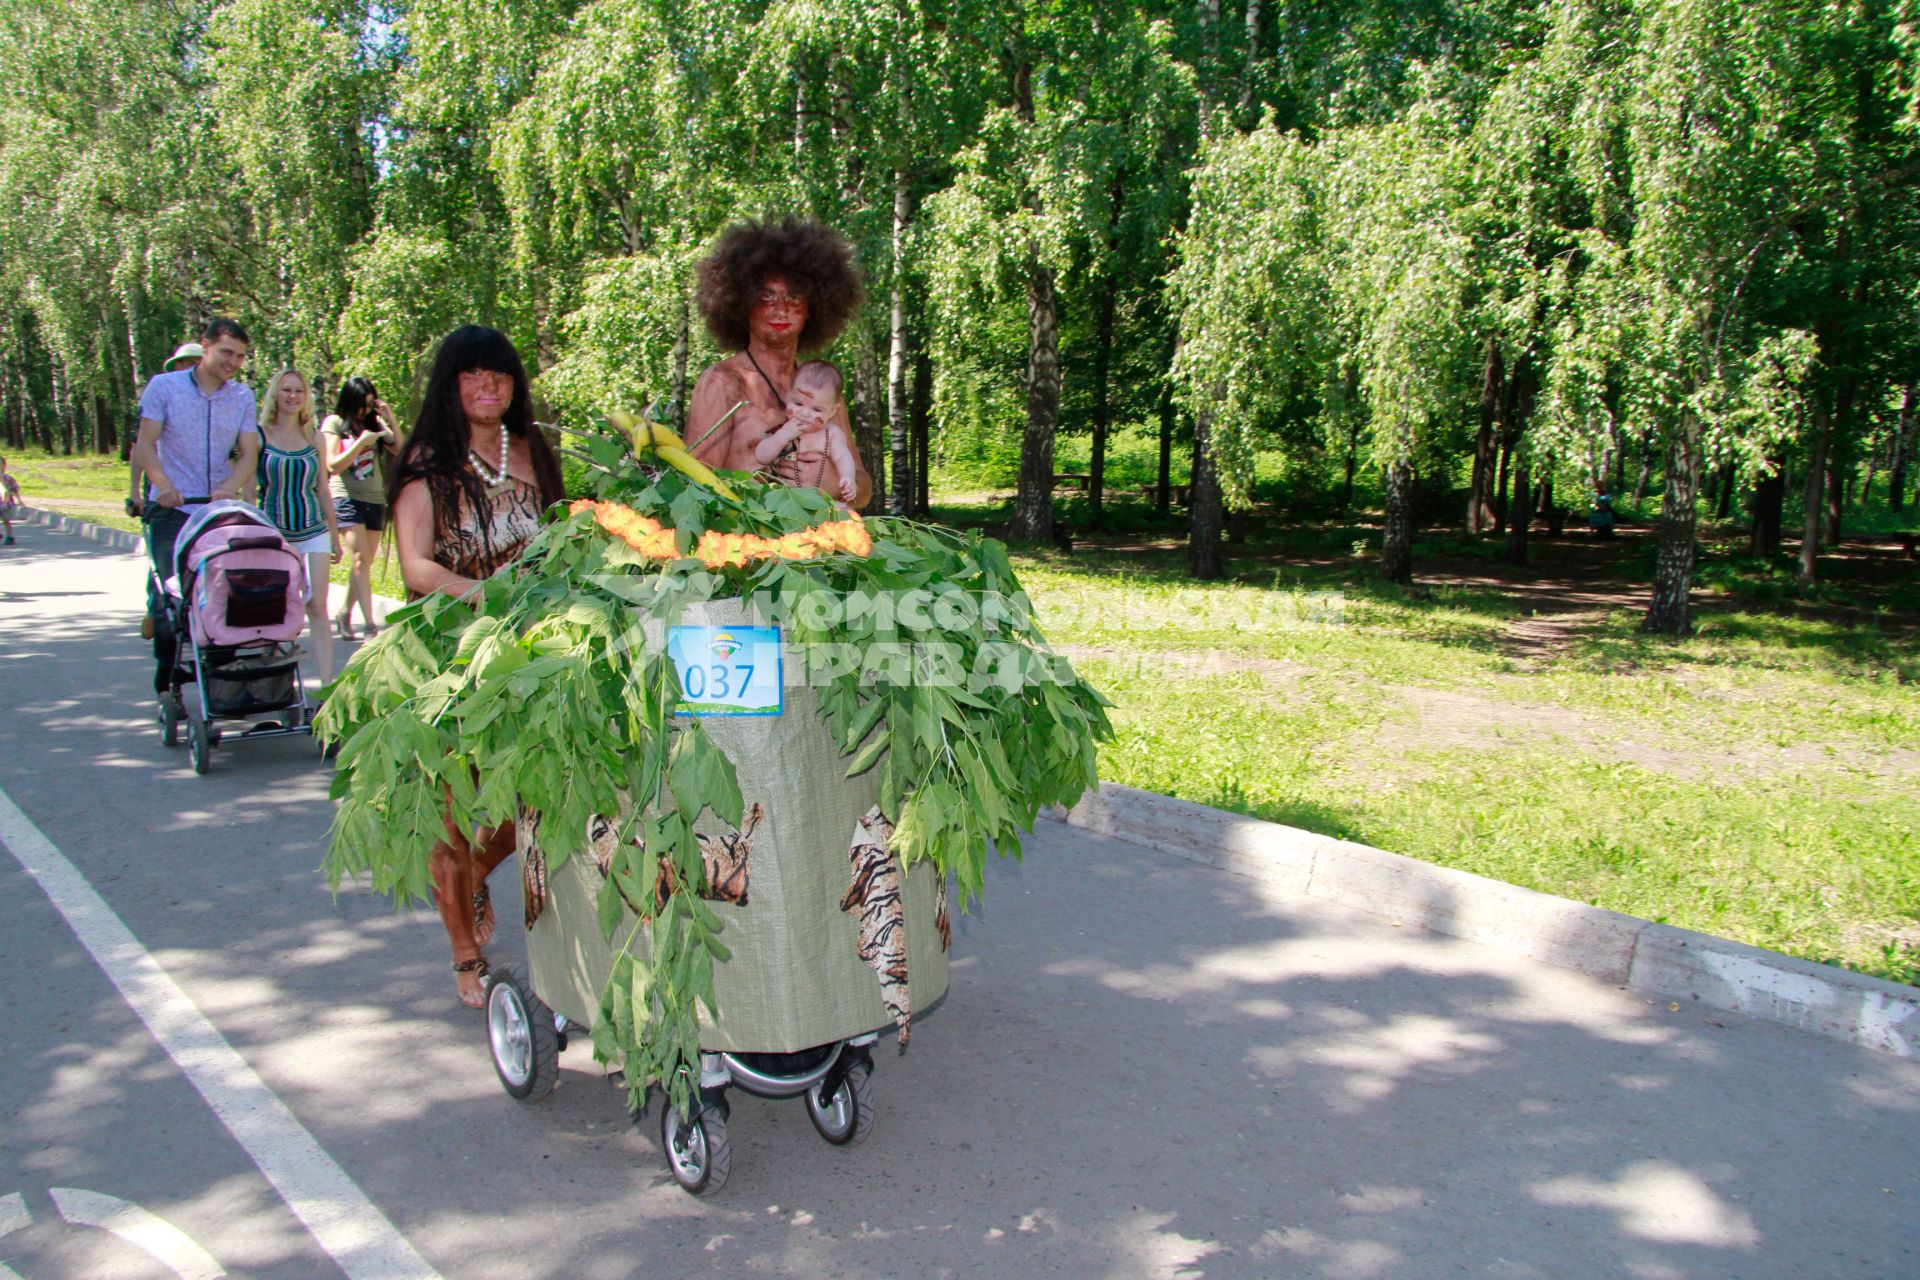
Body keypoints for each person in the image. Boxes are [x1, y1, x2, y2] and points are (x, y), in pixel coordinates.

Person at [389, 325, 564, 1007]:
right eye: (472, 376)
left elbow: (554, 540)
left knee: (537, 799)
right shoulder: (427, 462)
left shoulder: (529, 449)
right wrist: (485, 596)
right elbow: (415, 566)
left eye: (500, 375)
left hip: (529, 651)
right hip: (450, 650)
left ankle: (476, 879)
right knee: (453, 815)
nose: (488, 386)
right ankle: (466, 954)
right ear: (450, 385)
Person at [685, 217, 872, 507]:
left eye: (795, 298)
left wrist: (829, 482)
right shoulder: (722, 383)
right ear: (742, 302)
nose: (781, 309)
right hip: (745, 545)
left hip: (820, 546)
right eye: (767, 296)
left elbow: (863, 488)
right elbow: (694, 488)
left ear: (813, 308)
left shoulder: (823, 389)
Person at [130, 319, 258, 694]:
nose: (232, 362)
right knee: (173, 600)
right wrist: (164, 485)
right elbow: (146, 443)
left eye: (239, 356)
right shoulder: (164, 388)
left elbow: (250, 452)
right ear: (205, 347)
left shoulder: (241, 397)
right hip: (172, 508)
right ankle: (167, 674)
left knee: (225, 592)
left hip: (214, 512)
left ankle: (219, 675)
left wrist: (230, 486)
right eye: (225, 353)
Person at [253, 368, 341, 687]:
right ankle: (282, 681)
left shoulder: (314, 436)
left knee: (317, 604)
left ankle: (328, 684)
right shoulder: (259, 434)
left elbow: (323, 488)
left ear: (306, 398)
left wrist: (334, 536)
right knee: (282, 608)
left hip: (313, 529)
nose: (292, 396)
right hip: (275, 535)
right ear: (276, 393)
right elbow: (250, 489)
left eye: (299, 391)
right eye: (287, 390)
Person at [322, 376, 403, 640]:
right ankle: (369, 624)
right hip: (345, 497)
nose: (365, 411)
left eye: (370, 405)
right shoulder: (334, 424)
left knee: (364, 564)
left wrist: (389, 419)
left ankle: (344, 611)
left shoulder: (374, 424)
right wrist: (359, 443)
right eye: (361, 405)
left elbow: (400, 449)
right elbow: (332, 465)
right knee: (358, 558)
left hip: (375, 499)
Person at [752, 360, 859, 504]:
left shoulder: (831, 434)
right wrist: (781, 436)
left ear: (833, 411)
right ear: (788, 397)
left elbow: (843, 456)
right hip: (783, 501)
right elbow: (761, 456)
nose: (805, 413)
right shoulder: (784, 429)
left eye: (816, 410)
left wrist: (848, 477)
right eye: (798, 403)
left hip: (819, 502)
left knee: (843, 512)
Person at [128, 342, 204, 520]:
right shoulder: (160, 399)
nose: (196, 370)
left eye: (201, 364)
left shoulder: (216, 403)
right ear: (177, 366)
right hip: (162, 495)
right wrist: (134, 492)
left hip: (204, 499)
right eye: (191, 363)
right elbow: (140, 447)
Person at [0, 455, 20, 544]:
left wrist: (18, 498)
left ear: (4, 466)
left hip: (6, 503)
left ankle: (9, 536)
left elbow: (15, 488)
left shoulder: (8, 478)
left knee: (6, 520)